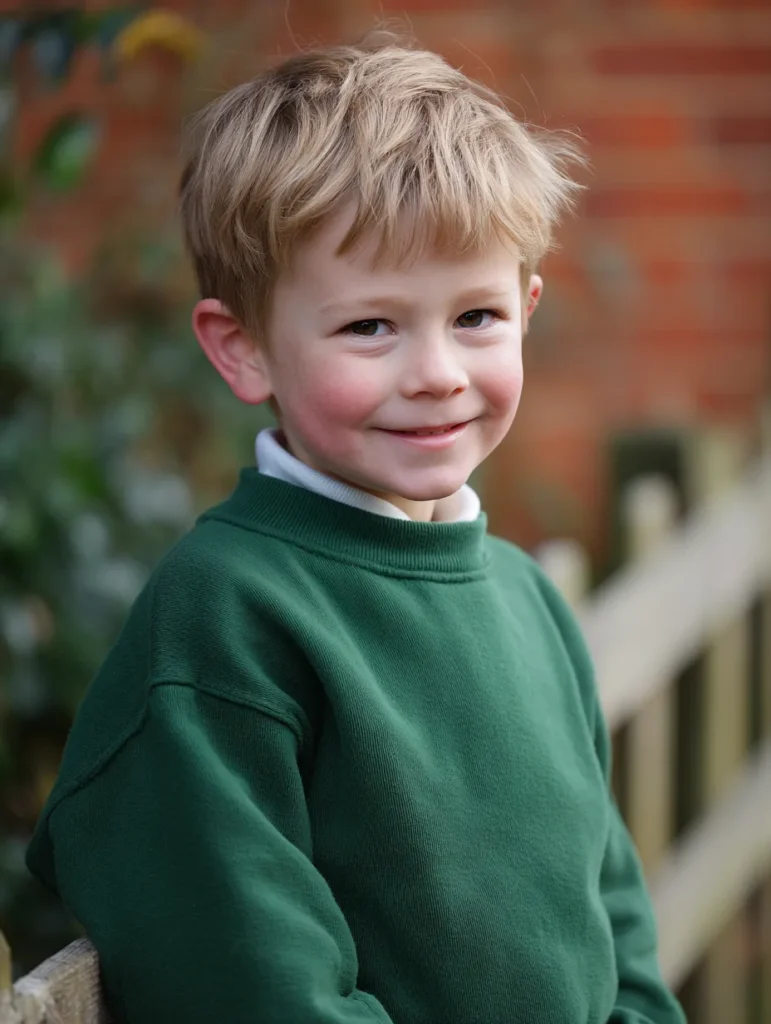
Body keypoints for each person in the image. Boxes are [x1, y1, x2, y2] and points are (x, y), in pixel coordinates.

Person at [26, 30, 686, 1024]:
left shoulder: (527, 602)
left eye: (476, 316)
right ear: (243, 348)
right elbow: (254, 986)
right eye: (370, 325)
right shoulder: (223, 619)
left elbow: (616, 929)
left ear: (527, 307)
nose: (436, 371)